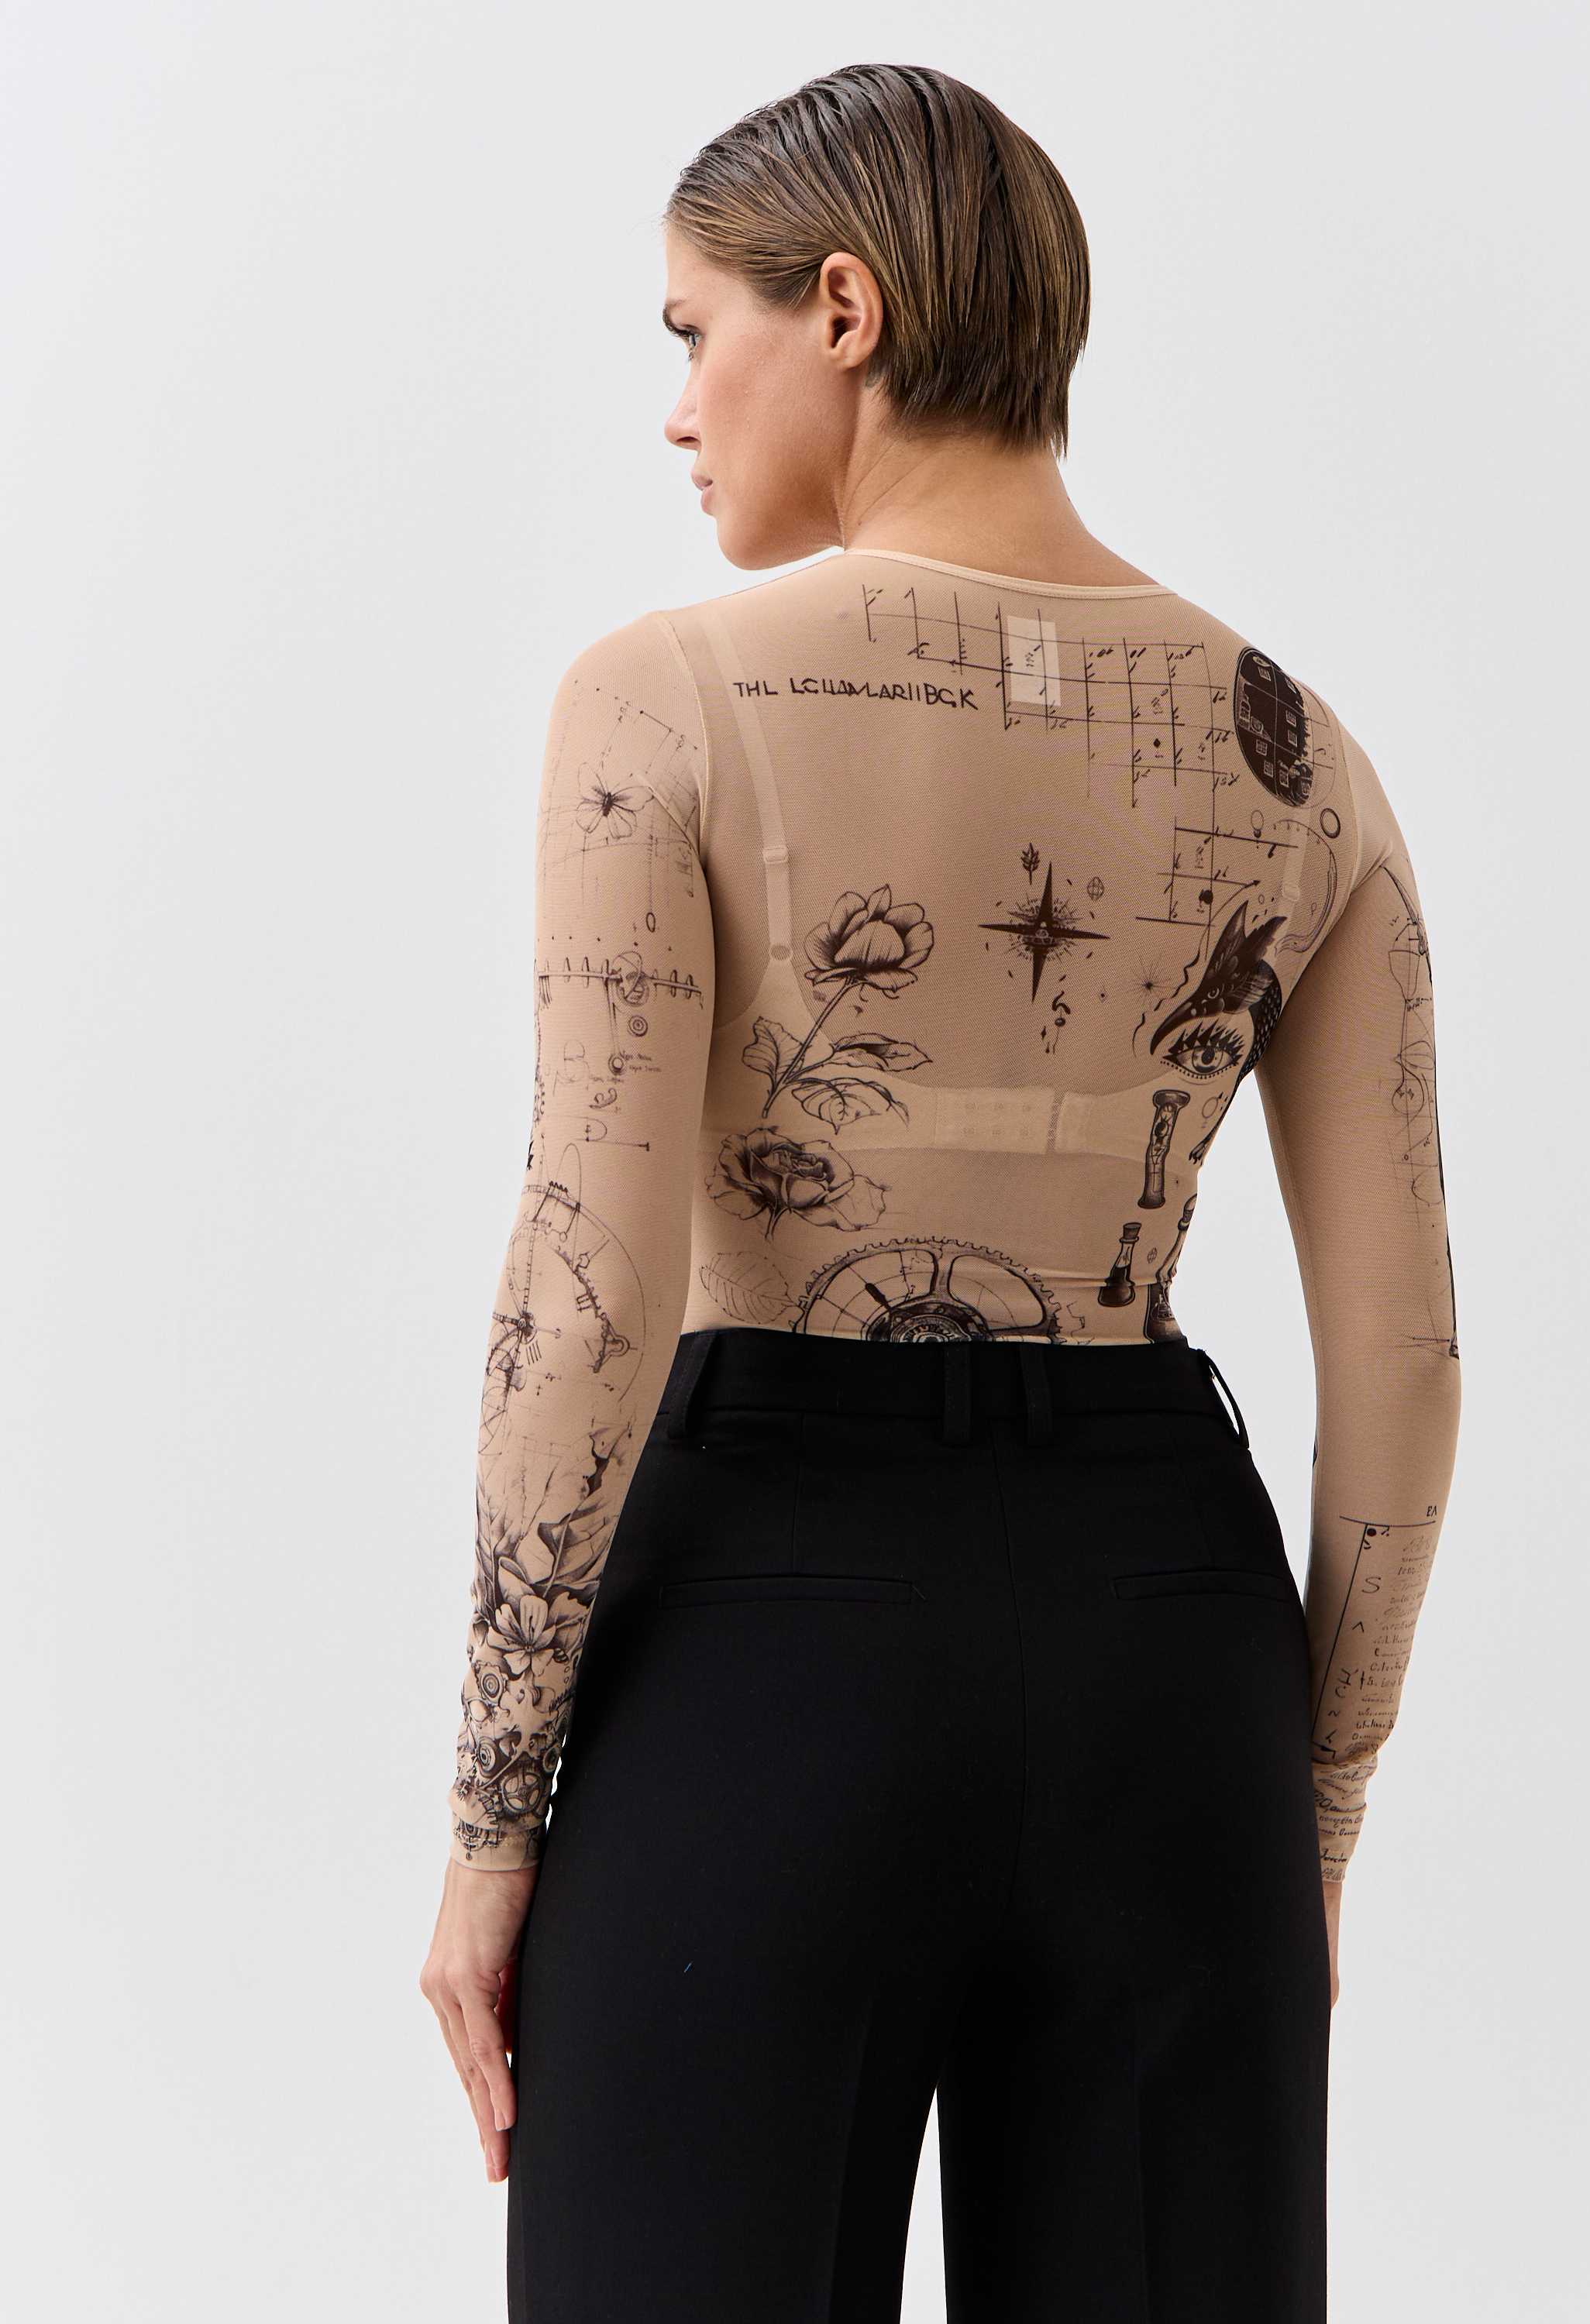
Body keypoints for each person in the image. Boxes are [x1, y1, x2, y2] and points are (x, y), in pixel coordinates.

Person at [420, 62, 1460, 2324]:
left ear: (844, 309)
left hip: (766, 1643)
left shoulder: (663, 704)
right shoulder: (1309, 761)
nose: (677, 409)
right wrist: (1309, 1815)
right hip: (1168, 1652)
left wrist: (492, 1825)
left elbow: (586, 1289)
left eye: (692, 332)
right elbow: (1402, 1363)